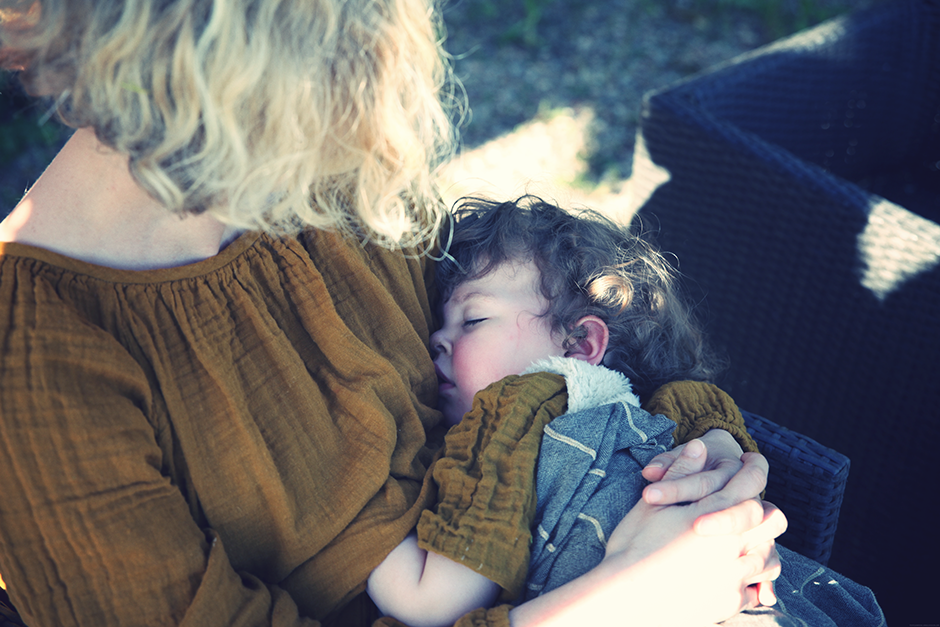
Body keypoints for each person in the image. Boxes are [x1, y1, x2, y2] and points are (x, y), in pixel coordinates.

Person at [0, 2, 785, 626]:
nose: (370, 120)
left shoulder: (332, 167)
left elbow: (554, 352)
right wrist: (618, 601)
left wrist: (698, 459)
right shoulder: (36, 365)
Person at [368, 197, 886, 627]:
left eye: (472, 318)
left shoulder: (511, 413)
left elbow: (432, 603)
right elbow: (687, 397)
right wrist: (722, 437)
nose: (437, 339)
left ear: (580, 343)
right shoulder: (626, 411)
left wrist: (354, 529)